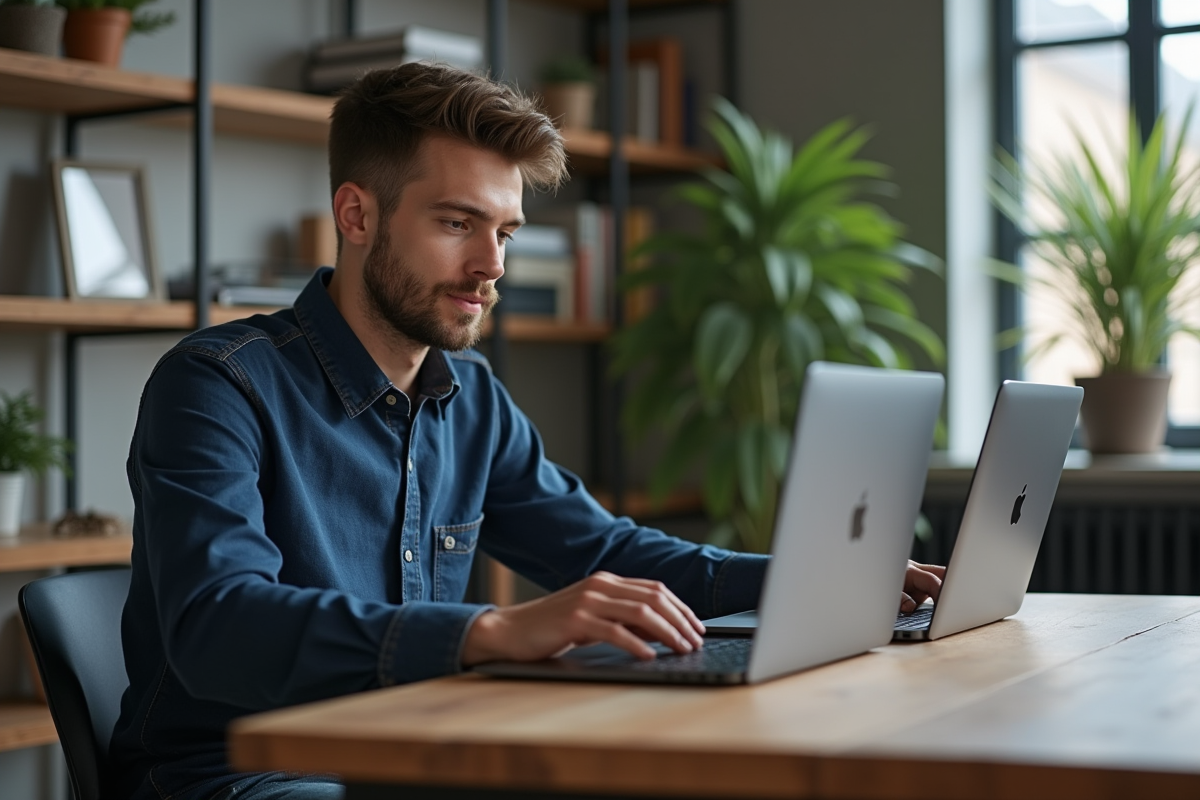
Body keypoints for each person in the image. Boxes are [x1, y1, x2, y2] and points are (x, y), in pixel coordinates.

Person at [108, 63, 944, 800]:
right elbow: (218, 627)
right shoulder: (218, 384)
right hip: (240, 775)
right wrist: (492, 631)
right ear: (356, 215)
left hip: (419, 754)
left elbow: (604, 552)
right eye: (456, 223)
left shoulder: (470, 396)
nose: (493, 265)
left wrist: (813, 581)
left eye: (504, 232)